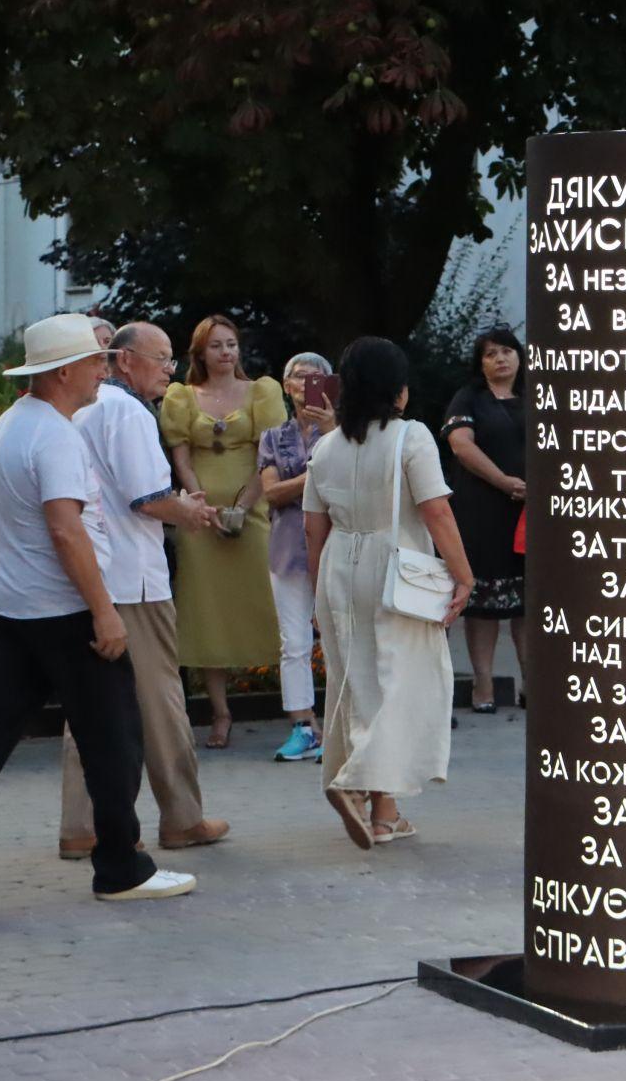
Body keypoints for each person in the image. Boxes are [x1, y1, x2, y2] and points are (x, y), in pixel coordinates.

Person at [0, 313, 194, 906]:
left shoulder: (8, 426)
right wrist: (103, 612)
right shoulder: (53, 435)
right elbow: (67, 530)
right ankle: (121, 867)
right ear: (62, 372)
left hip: (14, 605)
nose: (103, 371)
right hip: (63, 611)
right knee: (116, 737)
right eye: (94, 361)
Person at [61, 321, 229, 857]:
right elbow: (148, 498)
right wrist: (190, 509)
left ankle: (80, 828)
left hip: (95, 575)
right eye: (161, 359)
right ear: (124, 360)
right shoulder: (127, 411)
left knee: (89, 707)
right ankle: (182, 817)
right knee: (161, 704)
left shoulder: (83, 409)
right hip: (134, 579)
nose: (169, 370)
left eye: (171, 360)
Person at [303, 336, 474, 846]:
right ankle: (357, 783)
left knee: (356, 682)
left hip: (340, 565)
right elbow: (436, 510)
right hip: (398, 567)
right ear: (397, 391)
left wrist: (318, 592)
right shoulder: (412, 436)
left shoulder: (326, 446)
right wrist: (463, 575)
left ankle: (385, 813)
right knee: (405, 685)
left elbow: (314, 528)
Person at [162, 315, 288, 748]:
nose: (225, 353)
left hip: (249, 508)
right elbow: (181, 458)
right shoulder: (181, 397)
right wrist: (200, 503)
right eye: (216, 346)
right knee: (206, 612)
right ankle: (221, 713)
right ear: (200, 353)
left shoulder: (261, 392)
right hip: (199, 515)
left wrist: (242, 504)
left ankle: (299, 708)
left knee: (269, 603)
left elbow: (266, 455)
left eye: (231, 344)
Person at [442, 327, 529, 713]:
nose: (501, 359)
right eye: (491, 353)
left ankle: (532, 685)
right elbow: (460, 445)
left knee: (528, 604)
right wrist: (503, 481)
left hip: (529, 515)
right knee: (484, 605)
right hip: (482, 512)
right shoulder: (469, 397)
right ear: (480, 363)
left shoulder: (535, 396)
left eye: (507, 350)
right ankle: (483, 687)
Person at [259, 351, 336, 760]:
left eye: (317, 376)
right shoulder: (273, 436)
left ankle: (342, 726)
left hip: (335, 544)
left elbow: (348, 484)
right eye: (300, 376)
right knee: (294, 641)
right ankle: (303, 726)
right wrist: (317, 475)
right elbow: (270, 492)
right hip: (289, 546)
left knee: (342, 636)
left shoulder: (342, 432)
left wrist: (300, 482)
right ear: (286, 386)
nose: (307, 383)